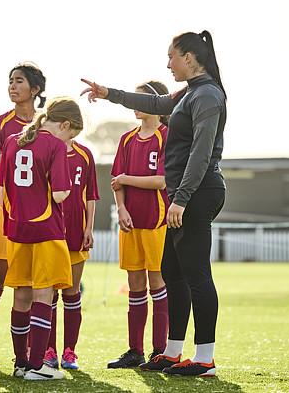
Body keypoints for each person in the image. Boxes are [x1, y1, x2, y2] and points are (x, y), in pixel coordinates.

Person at [81, 30, 227, 377]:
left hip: (198, 192)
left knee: (196, 276)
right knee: (173, 274)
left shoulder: (207, 95)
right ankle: (172, 352)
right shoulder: (188, 93)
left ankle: (204, 358)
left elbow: (201, 153)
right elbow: (154, 103)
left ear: (189, 58)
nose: (168, 63)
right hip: (185, 195)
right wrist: (108, 94)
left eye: (172, 56)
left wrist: (180, 200)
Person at [0, 97, 78, 380]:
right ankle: (38, 366)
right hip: (46, 229)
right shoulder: (55, 146)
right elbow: (60, 194)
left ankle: (20, 364)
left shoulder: (11, 142)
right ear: (64, 125)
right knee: (44, 293)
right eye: (71, 135)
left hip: (16, 230)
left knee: (21, 295)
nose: (69, 141)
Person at [0, 62, 46, 366]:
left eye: (19, 81)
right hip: (1, 211)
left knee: (28, 284)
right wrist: (21, 145)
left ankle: (28, 354)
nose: (13, 86)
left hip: (37, 215)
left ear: (36, 89)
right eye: (10, 81)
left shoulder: (49, 122)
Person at [105, 80, 170, 369]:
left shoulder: (167, 136)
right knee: (134, 285)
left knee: (157, 282)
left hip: (156, 221)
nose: (135, 105)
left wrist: (126, 180)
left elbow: (162, 180)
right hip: (130, 221)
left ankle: (160, 351)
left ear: (156, 104)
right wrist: (120, 209)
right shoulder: (127, 139)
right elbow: (115, 179)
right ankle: (135, 351)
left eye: (141, 99)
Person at [42, 105, 98, 371]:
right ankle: (48, 350)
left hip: (76, 232)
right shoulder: (44, 151)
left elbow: (90, 195)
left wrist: (89, 227)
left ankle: (69, 352)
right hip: (50, 232)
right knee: (49, 293)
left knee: (72, 293)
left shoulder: (85, 155)